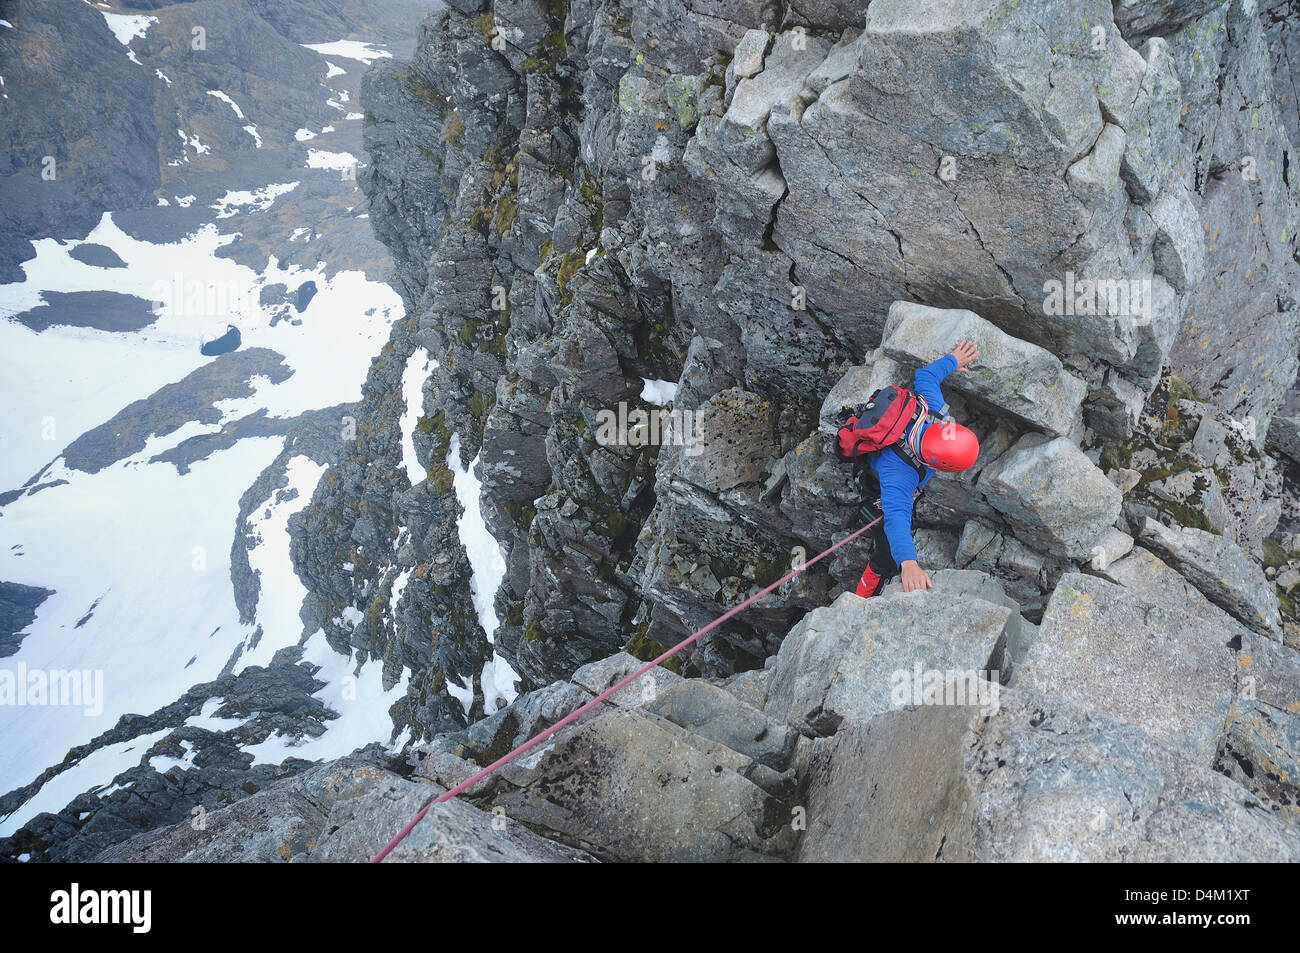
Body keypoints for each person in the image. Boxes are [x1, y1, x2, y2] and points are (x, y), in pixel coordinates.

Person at [838, 340, 981, 596]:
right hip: (878, 490)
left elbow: (925, 376)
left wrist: (952, 360)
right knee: (885, 555)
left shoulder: (935, 412)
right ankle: (864, 593)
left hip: (898, 476)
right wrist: (909, 563)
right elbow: (896, 519)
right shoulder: (898, 475)